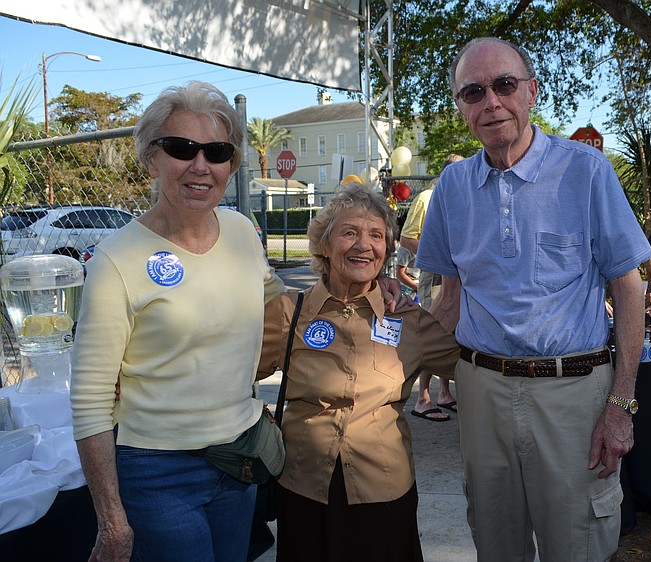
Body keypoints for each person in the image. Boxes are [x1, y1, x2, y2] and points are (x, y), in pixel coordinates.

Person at [70, 82, 405, 562]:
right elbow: (89, 402)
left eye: (218, 151)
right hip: (158, 471)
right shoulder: (115, 260)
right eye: (182, 148)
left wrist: (367, 286)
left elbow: (279, 300)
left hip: (240, 460)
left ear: (232, 163)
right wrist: (112, 521)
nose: (201, 165)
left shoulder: (241, 231)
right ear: (151, 157)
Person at [416, 37, 651, 561]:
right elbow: (446, 301)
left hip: (573, 394)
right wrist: (380, 332)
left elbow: (629, 286)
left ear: (531, 92)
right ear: (461, 107)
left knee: (579, 545)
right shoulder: (452, 186)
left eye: (504, 85)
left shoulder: (586, 172)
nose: (491, 102)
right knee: (496, 542)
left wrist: (621, 404)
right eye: (473, 92)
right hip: (480, 393)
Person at [258, 183, 459, 562]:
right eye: (349, 232)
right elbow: (235, 372)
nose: (363, 245)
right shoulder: (289, 312)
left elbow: (471, 367)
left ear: (386, 249)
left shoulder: (407, 318)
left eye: (376, 235)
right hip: (303, 487)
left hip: (384, 487)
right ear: (324, 243)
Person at [402, 154, 464, 421]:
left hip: (454, 276)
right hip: (435, 275)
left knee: (450, 336)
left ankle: (444, 394)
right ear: (446, 174)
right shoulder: (427, 198)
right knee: (434, 330)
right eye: (458, 173)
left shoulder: (456, 199)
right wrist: (437, 259)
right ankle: (422, 398)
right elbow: (406, 238)